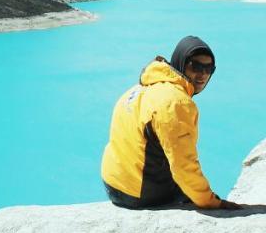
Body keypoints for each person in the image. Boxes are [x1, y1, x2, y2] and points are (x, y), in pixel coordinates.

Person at [101, 36, 242, 210]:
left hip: (113, 182)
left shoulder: (141, 88)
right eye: (196, 66)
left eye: (209, 69)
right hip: (138, 194)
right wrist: (211, 202)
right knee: (190, 191)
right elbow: (183, 166)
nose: (203, 74)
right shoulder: (175, 102)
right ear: (181, 63)